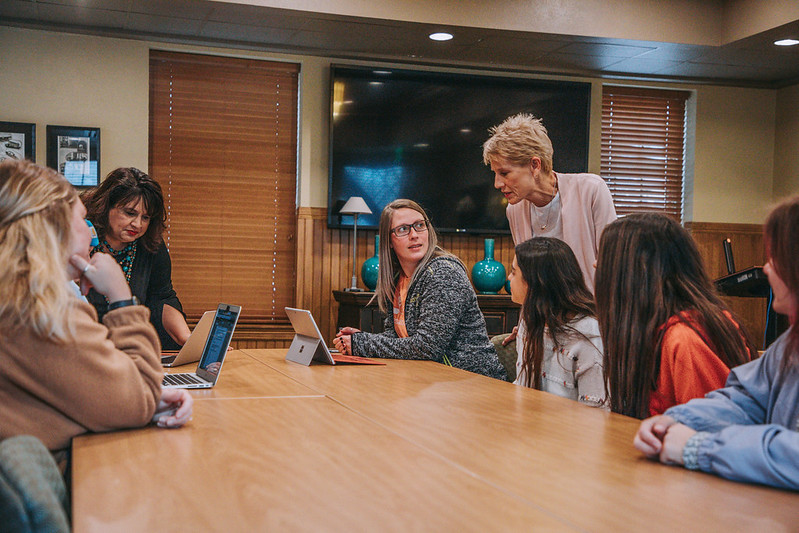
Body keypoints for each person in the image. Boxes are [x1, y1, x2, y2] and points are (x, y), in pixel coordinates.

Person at [0, 159, 192, 471]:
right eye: (82, 219)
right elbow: (139, 399)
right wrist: (121, 299)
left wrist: (131, 400)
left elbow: (56, 399)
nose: (89, 231)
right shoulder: (45, 308)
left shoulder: (15, 295)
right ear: (51, 228)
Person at [633, 196, 799, 491]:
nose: (767, 269)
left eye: (777, 259)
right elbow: (747, 399)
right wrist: (677, 421)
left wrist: (702, 448)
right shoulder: (789, 344)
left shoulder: (683, 336)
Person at [594, 213, 755, 419]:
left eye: (605, 258)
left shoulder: (685, 339)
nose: (595, 265)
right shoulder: (652, 331)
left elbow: (709, 433)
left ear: (634, 274)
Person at [333, 199, 506, 380]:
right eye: (402, 229)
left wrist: (362, 343)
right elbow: (395, 339)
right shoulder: (396, 280)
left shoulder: (443, 273)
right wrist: (361, 338)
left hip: (473, 383)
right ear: (389, 241)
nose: (414, 235)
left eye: (419, 225)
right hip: (430, 383)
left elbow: (427, 347)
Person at [483, 113, 616, 295]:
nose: (497, 184)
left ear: (535, 165)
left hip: (592, 315)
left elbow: (613, 267)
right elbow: (527, 278)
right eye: (495, 174)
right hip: (545, 317)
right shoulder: (514, 209)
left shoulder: (591, 190)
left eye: (504, 173)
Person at [82, 167, 191, 350]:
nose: (138, 225)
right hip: (85, 348)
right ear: (106, 206)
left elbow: (162, 298)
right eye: (130, 213)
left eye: (146, 217)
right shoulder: (83, 240)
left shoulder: (151, 245)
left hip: (129, 347)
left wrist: (187, 338)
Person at [508, 237, 606, 408]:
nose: (509, 278)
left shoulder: (589, 335)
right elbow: (523, 386)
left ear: (536, 282)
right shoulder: (530, 317)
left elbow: (595, 413)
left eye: (514, 272)